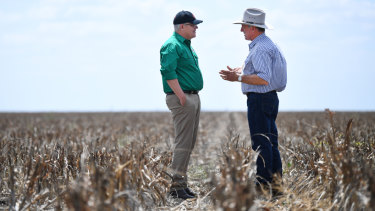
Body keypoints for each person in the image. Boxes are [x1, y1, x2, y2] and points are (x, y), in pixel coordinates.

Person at [219, 8, 287, 194]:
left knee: (261, 143)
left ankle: (263, 186)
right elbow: (260, 70)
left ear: (252, 28)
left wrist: (238, 78)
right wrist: (241, 70)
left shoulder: (261, 49)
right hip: (269, 98)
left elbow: (263, 78)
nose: (241, 30)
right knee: (270, 142)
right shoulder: (266, 44)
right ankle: (276, 185)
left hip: (260, 98)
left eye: (243, 26)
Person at [159, 10, 203, 200]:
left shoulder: (186, 45)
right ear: (182, 26)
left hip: (192, 97)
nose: (196, 27)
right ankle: (176, 188)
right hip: (182, 98)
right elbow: (167, 71)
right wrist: (181, 96)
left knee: (189, 142)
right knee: (183, 143)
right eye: (193, 24)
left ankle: (182, 184)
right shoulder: (172, 45)